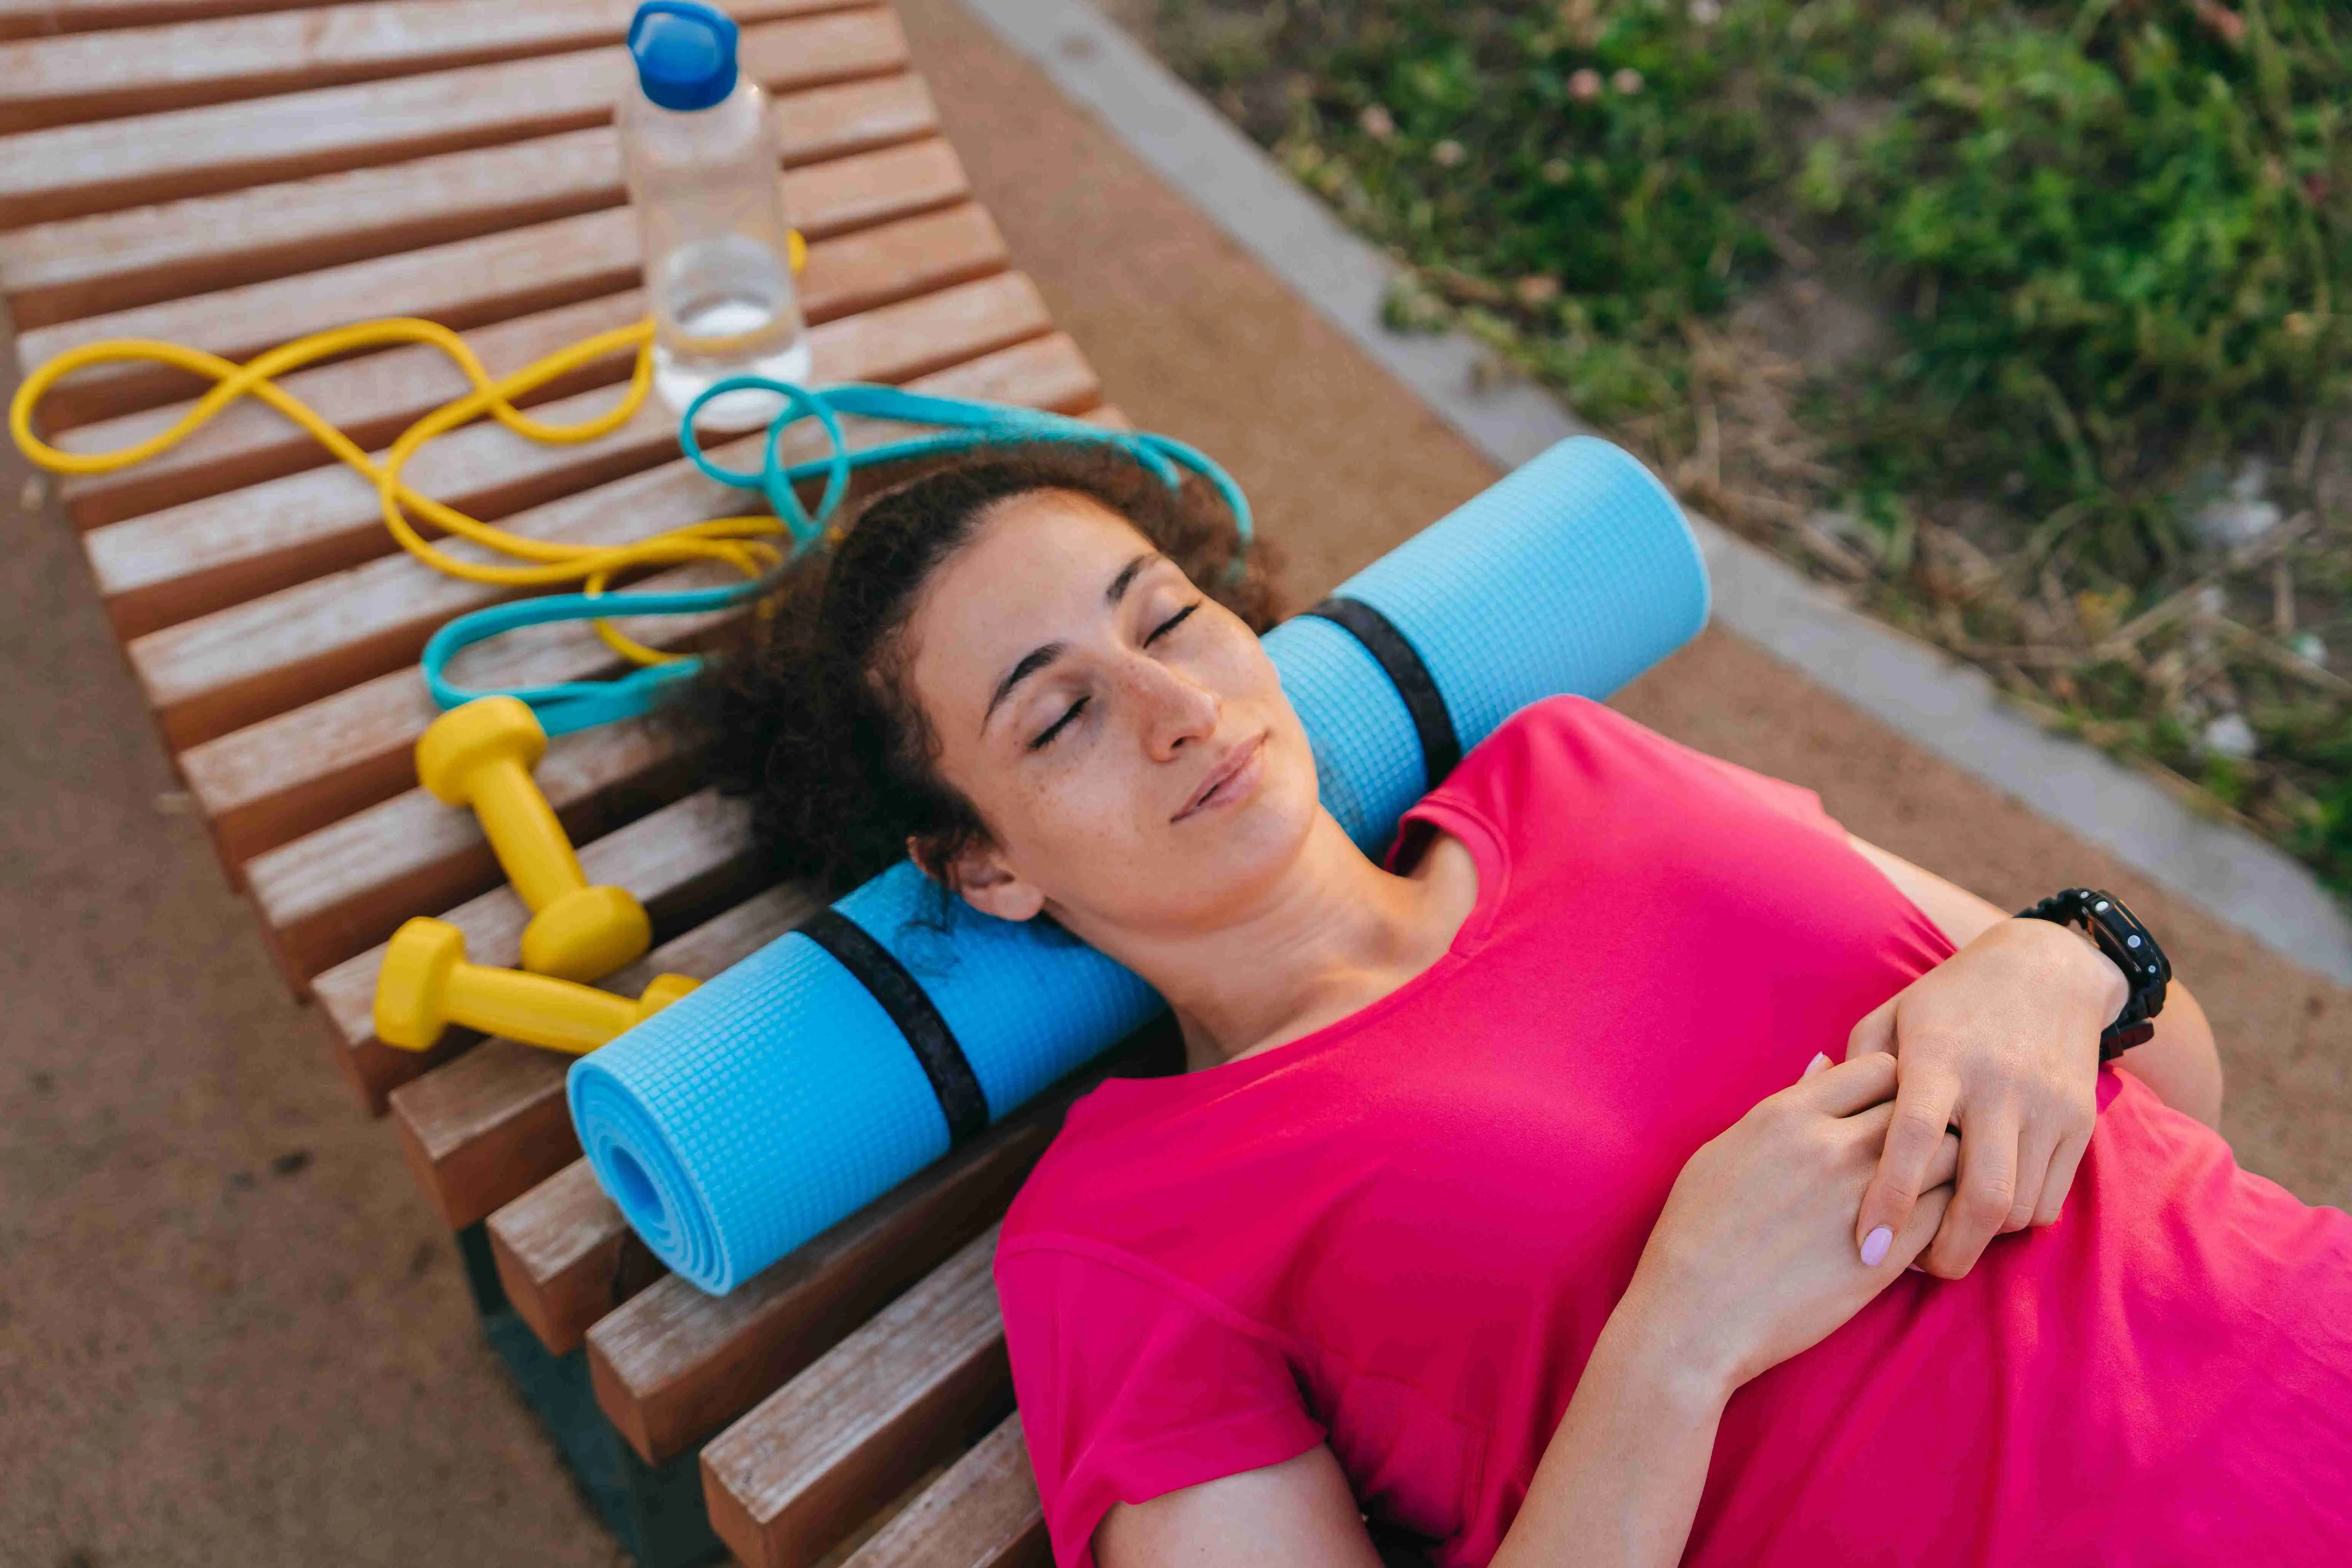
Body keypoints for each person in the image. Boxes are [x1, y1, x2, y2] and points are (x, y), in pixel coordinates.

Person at [697, 447, 2352, 1567]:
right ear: (983, 866)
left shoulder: (1575, 763)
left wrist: (2055, 965)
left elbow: (2181, 1089)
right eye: (1057, 717)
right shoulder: (1124, 1241)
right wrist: (1677, 1335)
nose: (1176, 709)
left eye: (1170, 621)